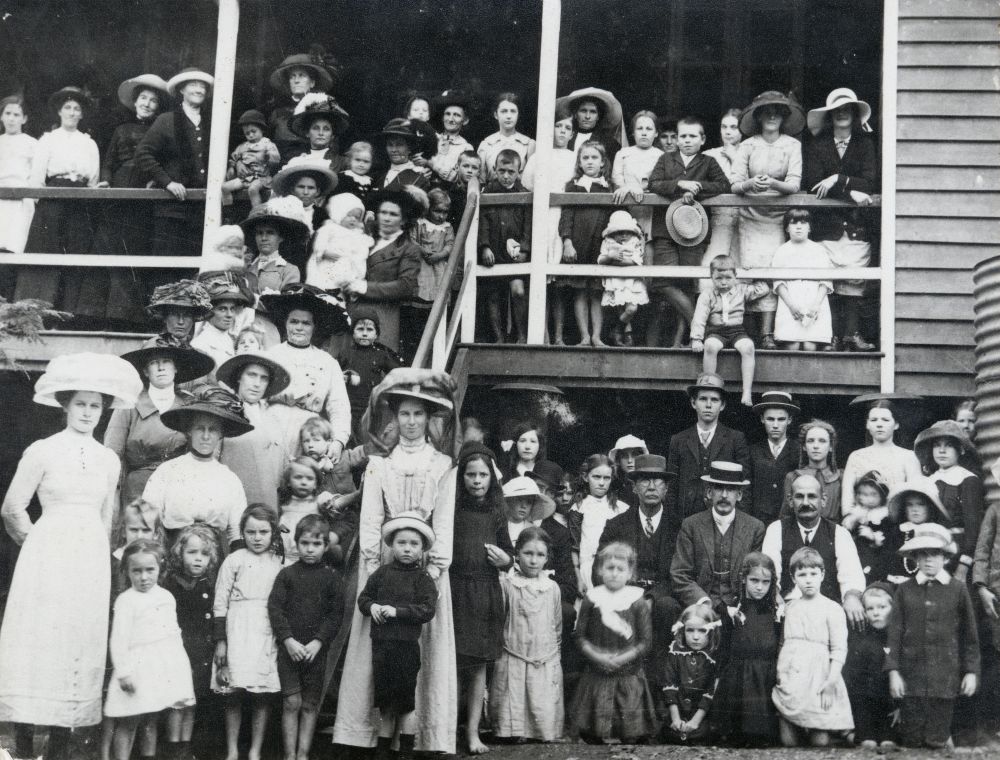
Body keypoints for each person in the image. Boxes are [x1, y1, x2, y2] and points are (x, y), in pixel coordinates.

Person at [0, 352, 141, 760]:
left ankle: (61, 743)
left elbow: (107, 517)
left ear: (104, 410)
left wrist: (98, 557)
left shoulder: (108, 459)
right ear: (65, 405)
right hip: (46, 558)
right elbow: (13, 507)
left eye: (95, 405)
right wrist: (37, 543)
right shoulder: (42, 450)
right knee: (39, 637)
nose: (87, 412)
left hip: (89, 560)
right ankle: (25, 740)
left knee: (78, 637)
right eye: (80, 403)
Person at [333, 370, 459, 755]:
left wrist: (435, 569)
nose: (410, 422)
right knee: (378, 645)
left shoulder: (442, 465)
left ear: (429, 419)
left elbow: (444, 519)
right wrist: (373, 569)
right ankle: (368, 733)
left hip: (425, 565)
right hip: (386, 563)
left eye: (418, 415)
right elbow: (370, 517)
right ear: (394, 418)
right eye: (404, 414)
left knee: (422, 647)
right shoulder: (379, 465)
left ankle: (421, 736)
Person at [886, 523, 980, 749]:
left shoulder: (957, 589)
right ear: (915, 557)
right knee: (912, 741)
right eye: (923, 554)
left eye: (935, 554)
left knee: (936, 740)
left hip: (944, 681)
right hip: (911, 681)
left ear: (945, 557)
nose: (929, 560)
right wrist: (893, 672)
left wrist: (971, 672)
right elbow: (894, 633)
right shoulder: (905, 590)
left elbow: (970, 636)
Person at [356, 512, 438, 760]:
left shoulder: (423, 578)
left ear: (422, 549)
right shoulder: (381, 574)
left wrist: (397, 612)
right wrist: (372, 608)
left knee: (405, 703)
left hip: (405, 648)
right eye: (402, 543)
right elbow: (364, 598)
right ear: (391, 544)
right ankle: (382, 751)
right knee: (385, 703)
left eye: (414, 544)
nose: (407, 549)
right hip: (382, 647)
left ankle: (405, 751)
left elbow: (427, 610)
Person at [104, 540, 195, 760]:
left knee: (152, 718)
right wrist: (124, 672)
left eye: (149, 570)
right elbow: (118, 640)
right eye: (136, 571)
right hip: (136, 669)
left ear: (160, 569)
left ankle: (148, 756)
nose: (144, 577)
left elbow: (173, 636)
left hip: (160, 668)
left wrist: (179, 668)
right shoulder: (126, 601)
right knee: (129, 720)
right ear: (127, 571)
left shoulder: (166, 597)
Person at [804, 88, 879, 352]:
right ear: (830, 116)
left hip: (857, 224)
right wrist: (850, 191)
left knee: (854, 280)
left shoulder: (865, 144)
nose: (843, 113)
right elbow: (813, 182)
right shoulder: (818, 145)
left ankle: (851, 334)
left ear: (855, 115)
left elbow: (871, 181)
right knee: (831, 281)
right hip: (828, 224)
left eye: (848, 109)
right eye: (837, 110)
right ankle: (833, 336)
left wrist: (839, 179)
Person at [451, 443, 514, 754]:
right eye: (470, 474)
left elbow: (509, 553)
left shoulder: (496, 512)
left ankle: (473, 732)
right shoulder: (452, 511)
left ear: (492, 478)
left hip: (485, 593)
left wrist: (505, 560)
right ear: (461, 478)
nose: (477, 480)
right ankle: (447, 729)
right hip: (455, 592)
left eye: (483, 475)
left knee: (477, 668)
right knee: (452, 666)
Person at [647, 116, 730, 347]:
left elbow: (724, 185)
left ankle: (679, 341)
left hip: (695, 231)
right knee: (662, 281)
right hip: (665, 228)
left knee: (686, 284)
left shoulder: (708, 162)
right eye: (682, 136)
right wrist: (680, 184)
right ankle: (699, 325)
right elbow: (654, 183)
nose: (686, 140)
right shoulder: (666, 158)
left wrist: (699, 187)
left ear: (702, 139)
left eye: (692, 136)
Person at [731, 91, 805, 348]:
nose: (772, 115)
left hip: (776, 217)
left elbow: (794, 184)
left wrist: (774, 183)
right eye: (767, 111)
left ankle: (767, 333)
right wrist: (750, 183)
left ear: (784, 116)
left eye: (777, 111)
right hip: (749, 215)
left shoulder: (792, 145)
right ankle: (745, 331)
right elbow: (735, 183)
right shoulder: (747, 145)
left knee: (772, 272)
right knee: (748, 272)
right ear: (759, 116)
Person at [16, 87, 100, 311]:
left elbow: (93, 178)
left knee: (76, 252)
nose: (72, 113)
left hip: (79, 201)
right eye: (68, 108)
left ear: (81, 115)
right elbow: (37, 177)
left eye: (77, 109)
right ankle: (38, 310)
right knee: (47, 250)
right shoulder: (48, 139)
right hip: (53, 200)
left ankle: (69, 310)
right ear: (60, 112)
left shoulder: (89, 143)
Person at [267, 514, 344, 760]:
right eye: (305, 543)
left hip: (315, 652)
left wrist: (318, 642)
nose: (310, 550)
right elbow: (275, 609)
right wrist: (288, 640)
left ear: (325, 546)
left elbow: (335, 615)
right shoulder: (286, 575)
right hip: (290, 650)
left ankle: (303, 755)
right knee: (291, 703)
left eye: (316, 544)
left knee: (310, 705)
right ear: (297, 543)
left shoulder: (332, 578)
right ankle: (290, 755)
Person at [211, 504, 284, 760]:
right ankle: (232, 750)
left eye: (263, 532)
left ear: (273, 533)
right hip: (237, 629)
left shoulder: (278, 562)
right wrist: (221, 641)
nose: (257, 538)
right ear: (242, 532)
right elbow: (220, 602)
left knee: (261, 694)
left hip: (266, 629)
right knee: (233, 693)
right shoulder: (234, 560)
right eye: (250, 532)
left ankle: (254, 751)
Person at [106, 338, 213, 507]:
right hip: (138, 493)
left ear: (175, 368)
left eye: (167, 361)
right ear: (146, 371)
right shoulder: (128, 405)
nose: (161, 367)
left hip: (179, 490)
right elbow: (112, 455)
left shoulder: (189, 406)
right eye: (154, 363)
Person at [143, 385, 253, 549]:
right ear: (189, 431)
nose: (206, 436)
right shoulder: (168, 471)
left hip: (212, 556)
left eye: (213, 430)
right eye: (200, 428)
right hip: (173, 553)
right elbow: (148, 519)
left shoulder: (229, 479)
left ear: (221, 434)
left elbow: (236, 532)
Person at [569, 541, 658, 744]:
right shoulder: (592, 598)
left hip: (628, 672)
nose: (615, 573)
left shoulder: (636, 600)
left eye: (621, 569)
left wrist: (621, 658)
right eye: (609, 568)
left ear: (630, 573)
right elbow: (580, 636)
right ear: (600, 570)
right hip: (597, 672)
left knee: (630, 729)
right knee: (592, 733)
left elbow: (645, 642)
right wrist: (597, 656)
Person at [598, 454, 682, 660]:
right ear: (634, 487)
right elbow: (599, 571)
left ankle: (664, 677)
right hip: (625, 595)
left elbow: (682, 573)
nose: (651, 487)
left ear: (666, 488)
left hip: (663, 599)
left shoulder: (680, 527)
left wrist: (652, 598)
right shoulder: (616, 525)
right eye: (644, 480)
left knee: (667, 607)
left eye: (658, 480)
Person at [772, 547, 854, 747]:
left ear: (822, 575)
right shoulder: (790, 607)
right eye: (802, 574)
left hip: (819, 677)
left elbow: (839, 648)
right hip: (793, 674)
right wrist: (782, 672)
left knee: (820, 743)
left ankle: (839, 733)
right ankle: (792, 724)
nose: (808, 580)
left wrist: (831, 680)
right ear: (793, 578)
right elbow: (784, 643)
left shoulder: (832, 608)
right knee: (788, 743)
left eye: (813, 574)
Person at [489, 525, 564, 743]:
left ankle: (541, 730)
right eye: (527, 553)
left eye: (540, 555)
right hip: (514, 653)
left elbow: (556, 624)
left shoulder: (552, 588)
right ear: (517, 554)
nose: (533, 560)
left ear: (547, 558)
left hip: (543, 656)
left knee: (542, 700)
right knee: (513, 698)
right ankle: (513, 731)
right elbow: (501, 620)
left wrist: (552, 653)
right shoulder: (508, 584)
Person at [762, 473, 867, 628]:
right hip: (788, 611)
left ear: (823, 500)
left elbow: (851, 575)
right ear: (790, 501)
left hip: (827, 613)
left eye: (812, 496)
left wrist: (851, 596)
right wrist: (774, 594)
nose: (805, 502)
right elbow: (770, 572)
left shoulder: (839, 533)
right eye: (799, 497)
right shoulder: (776, 529)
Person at [261, 283, 352, 455]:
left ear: (314, 327)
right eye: (294, 321)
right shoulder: (271, 355)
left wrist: (339, 441)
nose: (299, 327)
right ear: (286, 324)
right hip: (271, 428)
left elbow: (339, 406)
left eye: (306, 323)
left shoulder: (327, 362)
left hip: (308, 434)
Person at [135, 68, 214, 259]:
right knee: (167, 265)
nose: (198, 90)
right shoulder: (166, 120)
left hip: (201, 209)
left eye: (202, 86)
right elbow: (143, 154)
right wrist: (168, 182)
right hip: (171, 208)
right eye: (193, 85)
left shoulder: (212, 122)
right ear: (181, 90)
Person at [670, 461, 765, 613]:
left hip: (739, 607)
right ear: (709, 492)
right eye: (719, 488)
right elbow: (680, 574)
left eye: (731, 489)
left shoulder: (755, 528)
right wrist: (702, 601)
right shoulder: (691, 525)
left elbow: (755, 575)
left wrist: (739, 607)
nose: (724, 495)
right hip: (702, 606)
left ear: (739, 495)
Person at [160, 523, 220, 760]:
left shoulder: (208, 584)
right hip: (178, 652)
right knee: (178, 703)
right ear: (180, 553)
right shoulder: (172, 585)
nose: (198, 559)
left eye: (204, 554)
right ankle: (173, 749)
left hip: (201, 654)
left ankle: (185, 748)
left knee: (193, 700)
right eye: (192, 553)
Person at [710, 552, 781, 747]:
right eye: (754, 580)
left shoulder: (775, 611)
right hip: (737, 675)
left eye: (765, 582)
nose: (759, 587)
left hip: (765, 674)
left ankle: (758, 733)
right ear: (744, 579)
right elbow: (724, 647)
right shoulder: (733, 609)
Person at [342, 188, 425, 354]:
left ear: (403, 220)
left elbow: (406, 285)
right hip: (353, 309)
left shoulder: (409, 249)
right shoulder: (364, 238)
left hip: (382, 314)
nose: (386, 218)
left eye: (393, 214)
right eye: (383, 212)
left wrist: (365, 287)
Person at [523, 106, 577, 344]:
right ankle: (541, 333)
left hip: (564, 219)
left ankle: (558, 335)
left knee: (559, 283)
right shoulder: (538, 156)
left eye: (567, 128)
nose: (562, 132)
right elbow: (527, 184)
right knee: (540, 280)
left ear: (572, 134)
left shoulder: (575, 157)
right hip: (543, 218)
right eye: (558, 126)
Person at [666, 372, 751, 520]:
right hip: (687, 518)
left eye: (715, 400)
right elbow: (672, 488)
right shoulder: (678, 440)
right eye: (703, 399)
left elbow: (745, 486)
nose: (709, 405)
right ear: (693, 403)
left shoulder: (735, 439)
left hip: (724, 516)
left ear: (722, 405)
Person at [215, 351, 294, 509]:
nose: (257, 383)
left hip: (270, 507)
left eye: (264, 378)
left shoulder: (274, 419)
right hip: (235, 505)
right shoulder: (224, 413)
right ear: (239, 377)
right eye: (251, 375)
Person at [690, 255, 769, 407]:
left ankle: (746, 391)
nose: (724, 282)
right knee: (711, 346)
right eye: (719, 278)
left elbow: (764, 289)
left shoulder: (741, 290)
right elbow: (699, 317)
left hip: (737, 331)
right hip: (716, 331)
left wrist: (752, 273)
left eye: (728, 277)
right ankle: (709, 386)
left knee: (748, 347)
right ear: (711, 277)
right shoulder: (707, 294)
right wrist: (696, 338)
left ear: (735, 277)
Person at [914, 419, 983, 582]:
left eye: (949, 445)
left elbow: (973, 529)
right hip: (929, 553)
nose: (942, 450)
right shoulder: (928, 481)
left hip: (957, 554)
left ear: (961, 450)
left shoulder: (968, 480)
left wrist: (963, 566)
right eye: (937, 445)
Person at [479, 149, 532, 343]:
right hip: (493, 251)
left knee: (518, 290)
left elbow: (528, 225)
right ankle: (498, 337)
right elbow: (482, 222)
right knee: (493, 294)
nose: (506, 176)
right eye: (502, 171)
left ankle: (521, 335)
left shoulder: (525, 195)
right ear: (494, 169)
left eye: (511, 171)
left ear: (519, 171)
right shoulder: (487, 192)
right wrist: (484, 247)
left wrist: (525, 250)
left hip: (515, 254)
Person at [841, 397, 922, 520]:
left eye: (885, 420)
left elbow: (916, 497)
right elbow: (847, 501)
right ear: (867, 424)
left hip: (898, 525)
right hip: (861, 525)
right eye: (874, 420)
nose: (879, 424)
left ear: (896, 424)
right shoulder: (856, 457)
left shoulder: (908, 457)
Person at [297, 416, 363, 566]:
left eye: (316, 440)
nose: (310, 446)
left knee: (331, 544)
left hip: (346, 517)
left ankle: (336, 559)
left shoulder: (345, 457)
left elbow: (363, 453)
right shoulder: (305, 467)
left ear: (329, 441)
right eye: (306, 441)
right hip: (320, 519)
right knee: (321, 543)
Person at [844, 582, 897, 750]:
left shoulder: (896, 637)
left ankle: (887, 736)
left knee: (888, 740)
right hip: (864, 700)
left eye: (882, 607)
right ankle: (860, 735)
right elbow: (853, 676)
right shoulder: (861, 638)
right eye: (870, 609)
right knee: (868, 742)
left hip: (890, 701)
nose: (876, 613)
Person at [772, 209, 835, 350]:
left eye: (803, 223)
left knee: (809, 346)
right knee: (792, 345)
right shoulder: (782, 251)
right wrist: (791, 306)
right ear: (787, 228)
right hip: (791, 302)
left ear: (810, 227)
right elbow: (778, 283)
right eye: (793, 223)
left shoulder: (818, 250)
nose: (799, 226)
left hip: (814, 301)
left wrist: (816, 305)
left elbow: (826, 280)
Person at [404, 187, 455, 357]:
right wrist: (423, 252)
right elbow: (411, 240)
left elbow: (450, 245)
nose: (441, 216)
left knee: (437, 300)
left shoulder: (447, 227)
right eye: (437, 211)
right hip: (422, 265)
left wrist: (439, 255)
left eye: (445, 212)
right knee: (419, 299)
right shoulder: (420, 224)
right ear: (428, 209)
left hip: (438, 266)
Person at [569, 453, 629, 593]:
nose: (601, 483)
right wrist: (578, 577)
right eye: (596, 477)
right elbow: (574, 546)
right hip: (587, 569)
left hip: (615, 569)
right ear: (585, 477)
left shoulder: (621, 508)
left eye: (606, 478)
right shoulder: (579, 508)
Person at [661, 601, 719, 744]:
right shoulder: (675, 651)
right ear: (682, 630)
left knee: (702, 734)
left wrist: (695, 721)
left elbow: (711, 690)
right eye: (690, 630)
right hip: (677, 709)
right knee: (672, 733)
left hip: (701, 713)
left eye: (702, 630)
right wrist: (675, 718)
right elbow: (670, 683)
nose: (695, 637)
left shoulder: (714, 656)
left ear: (711, 631)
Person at [267, 50, 335, 165]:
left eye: (301, 75)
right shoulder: (278, 113)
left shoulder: (322, 110)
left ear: (312, 82)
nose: (296, 80)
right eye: (292, 77)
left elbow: (332, 146)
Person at [884, 478, 953, 585]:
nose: (915, 509)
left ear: (930, 507)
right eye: (910, 505)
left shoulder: (937, 533)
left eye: (920, 504)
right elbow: (886, 561)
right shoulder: (896, 532)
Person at [611, 110, 664, 244]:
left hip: (652, 208)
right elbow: (616, 178)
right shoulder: (623, 153)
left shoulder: (661, 156)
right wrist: (627, 187)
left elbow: (662, 181)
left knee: (649, 242)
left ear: (656, 133)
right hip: (628, 205)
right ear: (633, 132)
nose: (644, 132)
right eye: (640, 128)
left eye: (649, 129)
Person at [597, 209, 648, 346]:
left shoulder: (635, 242)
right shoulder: (608, 242)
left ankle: (618, 329)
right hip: (616, 281)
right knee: (620, 306)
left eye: (627, 232)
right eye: (619, 232)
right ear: (612, 233)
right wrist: (609, 257)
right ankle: (626, 333)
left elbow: (636, 261)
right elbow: (600, 260)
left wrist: (614, 262)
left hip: (632, 281)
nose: (624, 235)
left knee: (631, 308)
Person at [747, 391, 800, 523]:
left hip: (790, 521)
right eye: (770, 419)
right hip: (758, 521)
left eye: (781, 419)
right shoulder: (752, 451)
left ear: (790, 420)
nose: (775, 425)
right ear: (762, 419)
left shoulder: (799, 451)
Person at [701, 108, 743, 269]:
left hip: (746, 216)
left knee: (740, 264)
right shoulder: (710, 155)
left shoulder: (750, 153)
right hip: (720, 217)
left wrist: (735, 158)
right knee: (712, 261)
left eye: (733, 127)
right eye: (724, 127)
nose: (728, 132)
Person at [241, 197, 310, 294]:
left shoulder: (289, 270)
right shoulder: (246, 267)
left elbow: (287, 302)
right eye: (259, 233)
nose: (264, 238)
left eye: (270, 233)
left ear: (281, 237)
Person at [308, 193, 373, 293]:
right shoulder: (330, 228)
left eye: (357, 217)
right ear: (339, 213)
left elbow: (362, 251)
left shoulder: (357, 234)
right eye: (349, 215)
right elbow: (320, 242)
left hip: (347, 266)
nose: (353, 219)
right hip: (328, 262)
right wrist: (323, 252)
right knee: (323, 283)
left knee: (342, 289)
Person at [780, 419, 843, 521]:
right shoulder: (793, 477)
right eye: (810, 441)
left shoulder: (839, 477)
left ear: (831, 446)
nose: (816, 446)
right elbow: (786, 516)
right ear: (804, 446)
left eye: (822, 441)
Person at [191, 271, 253, 371]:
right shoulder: (201, 345)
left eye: (232, 309)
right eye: (222, 309)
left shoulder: (231, 339)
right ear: (209, 312)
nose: (229, 315)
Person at [841, 470, 893, 584]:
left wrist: (874, 537)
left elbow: (889, 540)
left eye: (873, 494)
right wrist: (852, 521)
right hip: (857, 553)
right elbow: (846, 531)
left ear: (882, 495)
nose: (868, 499)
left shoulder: (884, 517)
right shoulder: (856, 513)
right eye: (864, 494)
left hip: (877, 555)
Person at [0, 95, 37, 256]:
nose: (11, 119)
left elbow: (36, 174)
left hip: (21, 202)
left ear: (24, 119)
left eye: (16, 115)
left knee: (13, 249)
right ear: (1, 116)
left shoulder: (32, 144)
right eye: (7, 114)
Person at [223, 109, 281, 208]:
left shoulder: (267, 144)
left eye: (254, 131)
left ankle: (257, 211)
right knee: (225, 187)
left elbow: (275, 160)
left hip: (261, 178)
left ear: (262, 130)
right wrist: (232, 167)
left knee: (253, 189)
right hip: (245, 178)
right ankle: (228, 209)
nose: (251, 135)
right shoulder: (242, 146)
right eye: (247, 133)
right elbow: (234, 158)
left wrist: (270, 155)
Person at [275, 457, 326, 563]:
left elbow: (337, 503)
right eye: (298, 477)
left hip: (310, 557)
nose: (303, 482)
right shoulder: (283, 503)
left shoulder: (318, 501)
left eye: (309, 478)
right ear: (288, 482)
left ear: (316, 484)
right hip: (285, 558)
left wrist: (356, 495)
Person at [476, 92, 535, 182]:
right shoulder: (486, 145)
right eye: (504, 111)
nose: (508, 116)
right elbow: (481, 180)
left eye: (513, 111)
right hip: (492, 194)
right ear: (496, 115)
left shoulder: (529, 144)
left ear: (518, 115)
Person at [555, 87, 625, 161]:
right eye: (583, 111)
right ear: (575, 114)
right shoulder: (565, 136)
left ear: (598, 116)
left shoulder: (610, 144)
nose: (587, 116)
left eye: (593, 112)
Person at [286, 93, 350, 174]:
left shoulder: (343, 163)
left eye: (326, 129)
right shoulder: (298, 161)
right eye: (316, 128)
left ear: (332, 135)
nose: (321, 133)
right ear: (307, 133)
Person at [144, 279, 212, 346]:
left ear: (193, 319)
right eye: (174, 314)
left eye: (187, 315)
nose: (181, 322)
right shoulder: (153, 347)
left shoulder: (194, 349)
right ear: (165, 318)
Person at [371, 118, 431, 193]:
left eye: (399, 145)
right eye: (390, 145)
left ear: (410, 148)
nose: (394, 150)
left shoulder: (419, 179)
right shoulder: (377, 176)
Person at [428, 90, 474, 185]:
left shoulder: (466, 148)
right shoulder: (432, 139)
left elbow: (453, 176)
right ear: (442, 117)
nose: (451, 119)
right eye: (447, 114)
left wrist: (430, 163)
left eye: (456, 115)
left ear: (465, 120)